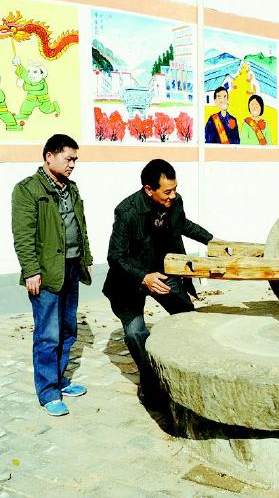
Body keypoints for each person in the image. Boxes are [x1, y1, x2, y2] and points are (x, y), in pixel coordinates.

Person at [103, 159, 213, 404]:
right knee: (135, 333)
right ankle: (151, 384)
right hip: (130, 278)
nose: (173, 195)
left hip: (162, 272)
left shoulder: (174, 201)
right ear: (148, 190)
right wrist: (143, 277)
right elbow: (115, 256)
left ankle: (185, 371)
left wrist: (211, 241)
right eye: (167, 191)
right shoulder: (127, 212)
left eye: (175, 189)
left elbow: (182, 224)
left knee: (187, 317)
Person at [11, 134, 93, 417]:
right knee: (48, 334)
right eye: (68, 158)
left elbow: (80, 225)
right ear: (49, 156)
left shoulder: (71, 188)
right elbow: (23, 235)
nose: (73, 165)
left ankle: (59, 380)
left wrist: (87, 259)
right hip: (45, 272)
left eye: (75, 160)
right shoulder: (28, 190)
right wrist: (31, 270)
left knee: (68, 329)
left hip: (71, 268)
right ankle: (48, 393)